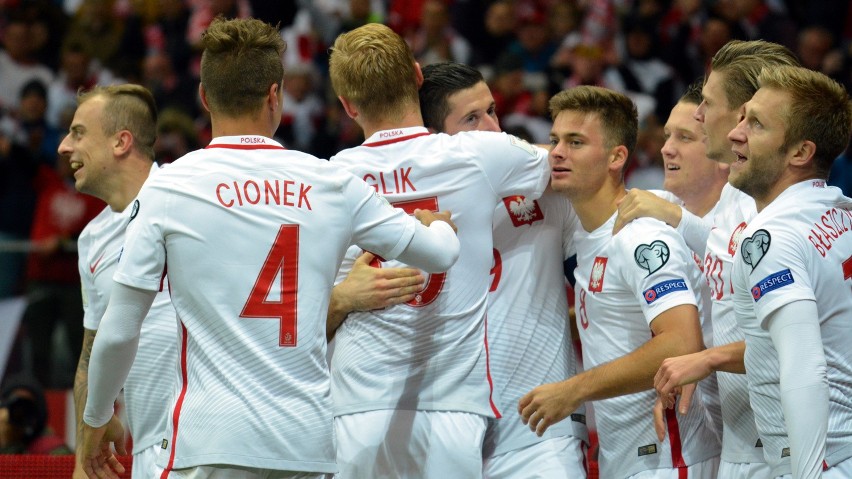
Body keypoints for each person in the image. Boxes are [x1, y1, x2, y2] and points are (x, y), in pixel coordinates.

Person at [75, 17, 460, 479]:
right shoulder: (330, 180)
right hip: (306, 446)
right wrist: (438, 227)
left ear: (204, 98)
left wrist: (96, 418)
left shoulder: (169, 188)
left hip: (211, 443)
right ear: (275, 95)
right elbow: (438, 255)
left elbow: (118, 330)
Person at [327, 24, 550, 478]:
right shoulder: (481, 154)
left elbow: (300, 314)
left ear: (348, 106)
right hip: (453, 403)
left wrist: (344, 298)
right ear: (416, 75)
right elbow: (569, 163)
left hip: (356, 403)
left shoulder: (329, 179)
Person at [519, 86, 720, 479]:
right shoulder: (586, 232)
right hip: (625, 457)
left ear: (617, 156)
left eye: (576, 142)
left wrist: (573, 390)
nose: (557, 152)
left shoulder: (641, 237)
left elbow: (681, 343)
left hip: (669, 458)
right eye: (555, 139)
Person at [621, 40, 799, 478]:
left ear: (744, 115)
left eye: (706, 105)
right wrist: (678, 218)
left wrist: (704, 359)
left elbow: (797, 342)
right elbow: (729, 253)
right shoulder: (736, 201)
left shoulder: (776, 210)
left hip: (782, 445)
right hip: (737, 442)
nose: (699, 115)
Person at [419, 61, 588, 477]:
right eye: (472, 119)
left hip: (539, 437)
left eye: (492, 111)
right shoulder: (402, 216)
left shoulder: (544, 191)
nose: (494, 129)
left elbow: (591, 166)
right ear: (436, 140)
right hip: (441, 436)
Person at [727, 66, 852, 479]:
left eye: (757, 124)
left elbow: (804, 366)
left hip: (820, 461)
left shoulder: (771, 238)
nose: (736, 133)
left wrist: (808, 475)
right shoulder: (840, 212)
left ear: (800, 153)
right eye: (743, 116)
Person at [58, 84, 178, 479]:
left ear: (121, 142)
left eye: (78, 133)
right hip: (146, 448)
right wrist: (81, 462)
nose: (63, 147)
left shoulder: (185, 198)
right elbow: (90, 357)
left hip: (202, 439)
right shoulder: (91, 239)